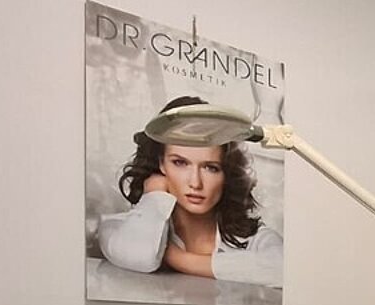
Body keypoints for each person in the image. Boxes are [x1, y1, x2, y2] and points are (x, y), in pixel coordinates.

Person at [97, 96, 284, 287]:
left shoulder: (254, 238)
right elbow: (140, 257)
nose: (195, 182)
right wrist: (154, 195)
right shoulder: (118, 228)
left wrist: (174, 256)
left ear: (225, 174)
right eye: (180, 162)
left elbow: (283, 270)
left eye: (210, 167)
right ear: (161, 164)